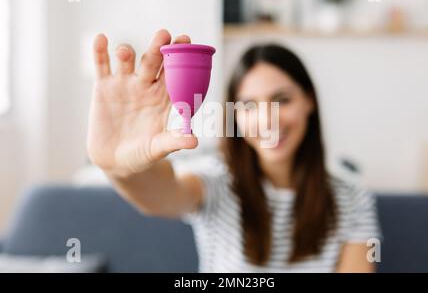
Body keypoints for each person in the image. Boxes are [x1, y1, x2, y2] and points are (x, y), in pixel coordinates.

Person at [87, 29, 380, 272]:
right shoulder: (216, 182)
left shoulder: (351, 199)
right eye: (249, 105)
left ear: (309, 101)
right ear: (235, 116)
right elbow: (159, 195)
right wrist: (122, 166)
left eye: (282, 99)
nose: (267, 120)